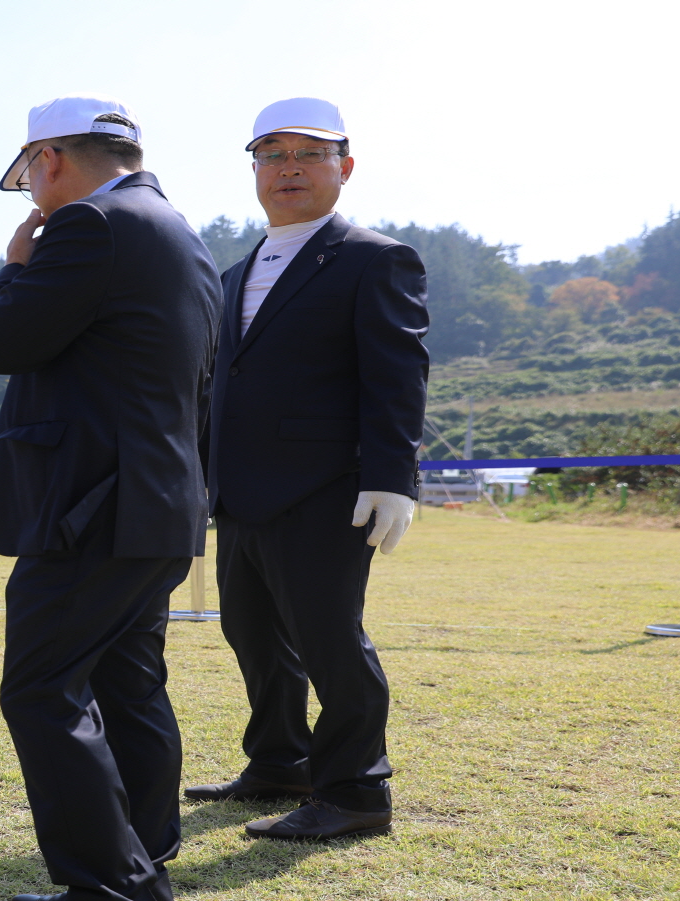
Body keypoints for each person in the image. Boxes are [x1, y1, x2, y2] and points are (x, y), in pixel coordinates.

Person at [0, 94, 219, 901]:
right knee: (128, 686)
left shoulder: (87, 227)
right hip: (154, 505)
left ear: (52, 160)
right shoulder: (180, 234)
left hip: (92, 509)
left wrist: (12, 266)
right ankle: (133, 866)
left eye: (28, 172)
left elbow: (0, 340)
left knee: (41, 692)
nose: (29, 191)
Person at [188, 98, 428, 840]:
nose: (288, 168)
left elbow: (396, 374)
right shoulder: (232, 274)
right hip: (241, 492)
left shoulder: (373, 258)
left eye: (309, 154)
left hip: (328, 490)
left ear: (344, 168)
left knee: (330, 639)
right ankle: (279, 762)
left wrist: (393, 478)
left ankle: (356, 791)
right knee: (252, 633)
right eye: (272, 154)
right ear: (254, 169)